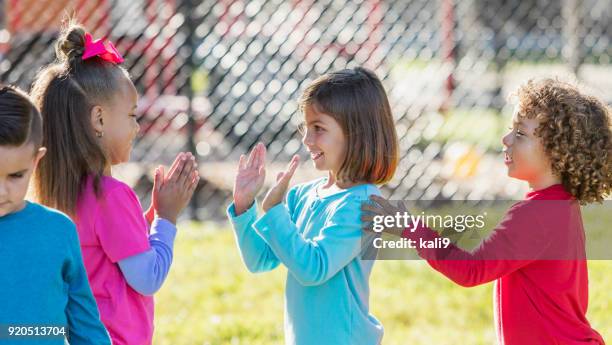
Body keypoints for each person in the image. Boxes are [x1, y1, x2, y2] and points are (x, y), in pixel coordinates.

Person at [30, 22, 199, 345]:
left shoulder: (61, 192)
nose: (137, 127)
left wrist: (146, 219)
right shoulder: (110, 195)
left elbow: (107, 254)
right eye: (132, 115)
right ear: (99, 120)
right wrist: (167, 219)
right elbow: (147, 277)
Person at [228, 67, 399, 345]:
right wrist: (245, 204)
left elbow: (314, 267)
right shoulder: (301, 196)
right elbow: (259, 260)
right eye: (306, 128)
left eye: (318, 128)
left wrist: (274, 211)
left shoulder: (364, 204)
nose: (307, 139)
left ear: (356, 133)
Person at [0, 85, 111, 344]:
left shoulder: (58, 231)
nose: (1, 190)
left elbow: (84, 324)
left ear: (36, 162)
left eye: (16, 175)